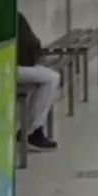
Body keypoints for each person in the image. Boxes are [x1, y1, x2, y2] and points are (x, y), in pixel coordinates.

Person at [16, 13, 60, 151]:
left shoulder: (14, 16)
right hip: (9, 68)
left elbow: (28, 42)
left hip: (16, 65)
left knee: (45, 81)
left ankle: (30, 129)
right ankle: (32, 131)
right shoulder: (11, 16)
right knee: (51, 78)